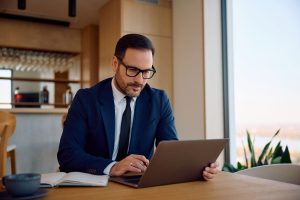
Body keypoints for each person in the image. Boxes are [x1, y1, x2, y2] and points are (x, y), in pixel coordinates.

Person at [57, 34, 218, 180]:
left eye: (146, 71)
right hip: (95, 185)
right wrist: (112, 166)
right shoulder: (86, 99)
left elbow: (170, 153)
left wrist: (199, 168)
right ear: (115, 64)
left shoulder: (159, 100)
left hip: (139, 187)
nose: (140, 80)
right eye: (133, 70)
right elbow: (67, 154)